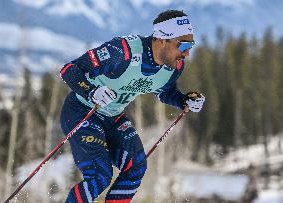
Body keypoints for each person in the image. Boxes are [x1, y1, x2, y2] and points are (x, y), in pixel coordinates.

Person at [60, 9, 205, 203]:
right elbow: (69, 70)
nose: (187, 52)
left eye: (191, 44)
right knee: (100, 176)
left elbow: (165, 92)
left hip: (113, 117)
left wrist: (184, 101)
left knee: (136, 167)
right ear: (162, 40)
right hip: (82, 111)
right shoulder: (123, 52)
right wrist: (92, 91)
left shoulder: (174, 67)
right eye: (184, 45)